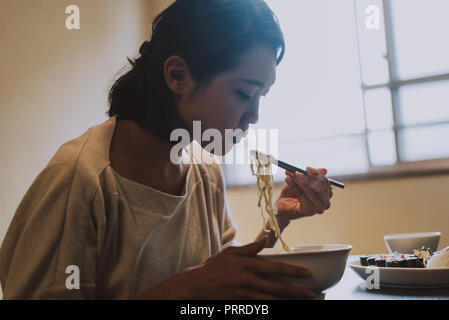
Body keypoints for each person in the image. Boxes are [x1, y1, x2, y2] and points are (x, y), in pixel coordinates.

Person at [0, 0, 333, 299]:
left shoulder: (204, 169)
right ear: (178, 76)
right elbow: (204, 284)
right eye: (245, 94)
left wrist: (278, 220)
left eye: (262, 96)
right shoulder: (80, 181)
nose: (254, 116)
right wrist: (183, 289)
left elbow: (224, 279)